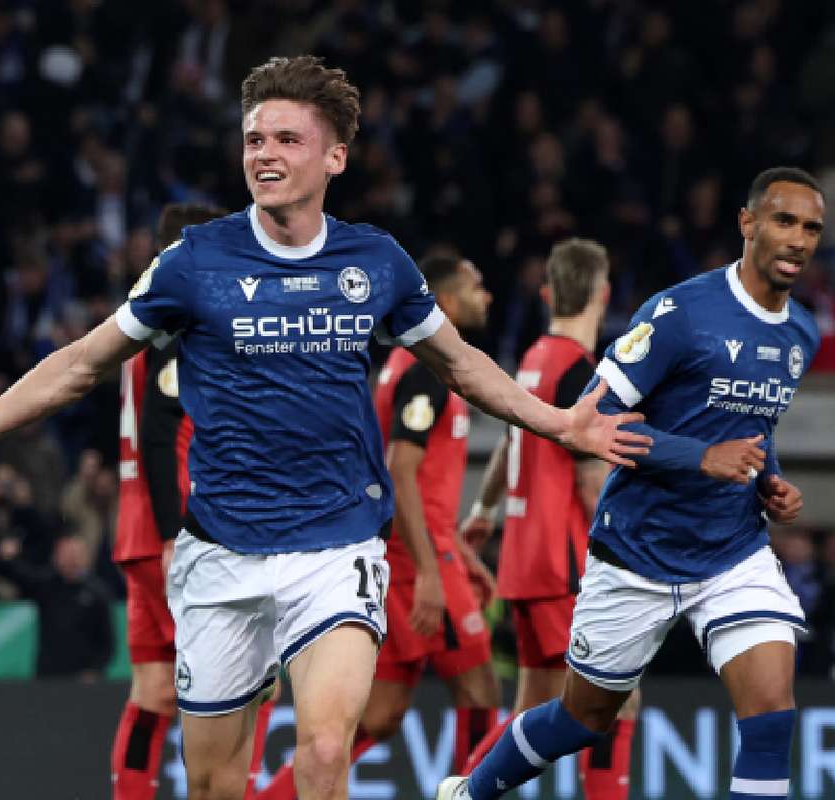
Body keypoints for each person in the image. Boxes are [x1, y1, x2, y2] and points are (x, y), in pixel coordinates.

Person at [0, 56, 648, 800]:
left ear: (335, 156)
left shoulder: (375, 262)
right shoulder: (193, 262)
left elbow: (462, 364)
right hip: (222, 557)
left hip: (338, 547)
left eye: (286, 139)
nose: (264, 154)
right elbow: (81, 363)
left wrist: (559, 423)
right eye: (253, 139)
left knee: (324, 750)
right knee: (214, 783)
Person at [437, 167, 823, 800]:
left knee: (771, 717)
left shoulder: (801, 332)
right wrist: (700, 457)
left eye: (811, 228)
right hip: (637, 551)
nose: (798, 239)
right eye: (784, 221)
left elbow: (756, 426)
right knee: (581, 719)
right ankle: (470, 792)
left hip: (733, 552)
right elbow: (590, 420)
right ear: (748, 223)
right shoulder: (681, 313)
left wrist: (770, 482)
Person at [255, 253, 502, 800]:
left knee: (382, 713)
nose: (486, 296)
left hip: (414, 550)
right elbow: (401, 472)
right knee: (480, 692)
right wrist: (435, 572)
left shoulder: (405, 364)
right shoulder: (428, 371)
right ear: (447, 301)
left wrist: (461, 554)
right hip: (419, 558)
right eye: (476, 286)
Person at [458, 239, 640, 799]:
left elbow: (509, 442)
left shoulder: (534, 359)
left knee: (532, 706)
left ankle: (460, 790)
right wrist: (632, 557)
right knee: (617, 697)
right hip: (564, 564)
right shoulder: (582, 373)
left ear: (547, 294)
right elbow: (590, 483)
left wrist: (484, 508)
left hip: (523, 560)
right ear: (603, 294)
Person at [111, 202, 279, 800]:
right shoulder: (181, 325)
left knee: (155, 689)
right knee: (250, 684)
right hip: (183, 534)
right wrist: (170, 536)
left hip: (138, 529)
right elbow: (161, 433)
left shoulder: (140, 325)